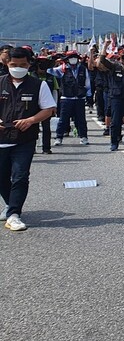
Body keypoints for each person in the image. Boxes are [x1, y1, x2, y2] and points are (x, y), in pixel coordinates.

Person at [0, 47, 57, 231]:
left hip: (25, 138)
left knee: (20, 175)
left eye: (22, 65)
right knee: (2, 177)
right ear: (7, 63)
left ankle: (14, 214)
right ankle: (10, 204)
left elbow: (48, 109)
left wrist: (31, 120)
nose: (18, 68)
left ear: (29, 64)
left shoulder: (38, 85)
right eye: (13, 65)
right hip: (1, 138)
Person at [97, 42, 124, 152]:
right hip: (116, 97)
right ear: (119, 54)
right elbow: (102, 60)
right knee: (115, 122)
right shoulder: (114, 65)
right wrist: (105, 47)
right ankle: (114, 143)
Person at [49, 50, 89, 146]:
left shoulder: (83, 69)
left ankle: (83, 137)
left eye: (74, 57)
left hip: (79, 98)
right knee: (63, 119)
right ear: (67, 59)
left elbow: (87, 83)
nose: (73, 59)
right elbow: (49, 70)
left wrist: (88, 95)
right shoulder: (62, 69)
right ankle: (59, 137)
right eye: (71, 57)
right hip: (66, 98)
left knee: (81, 119)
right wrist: (54, 62)